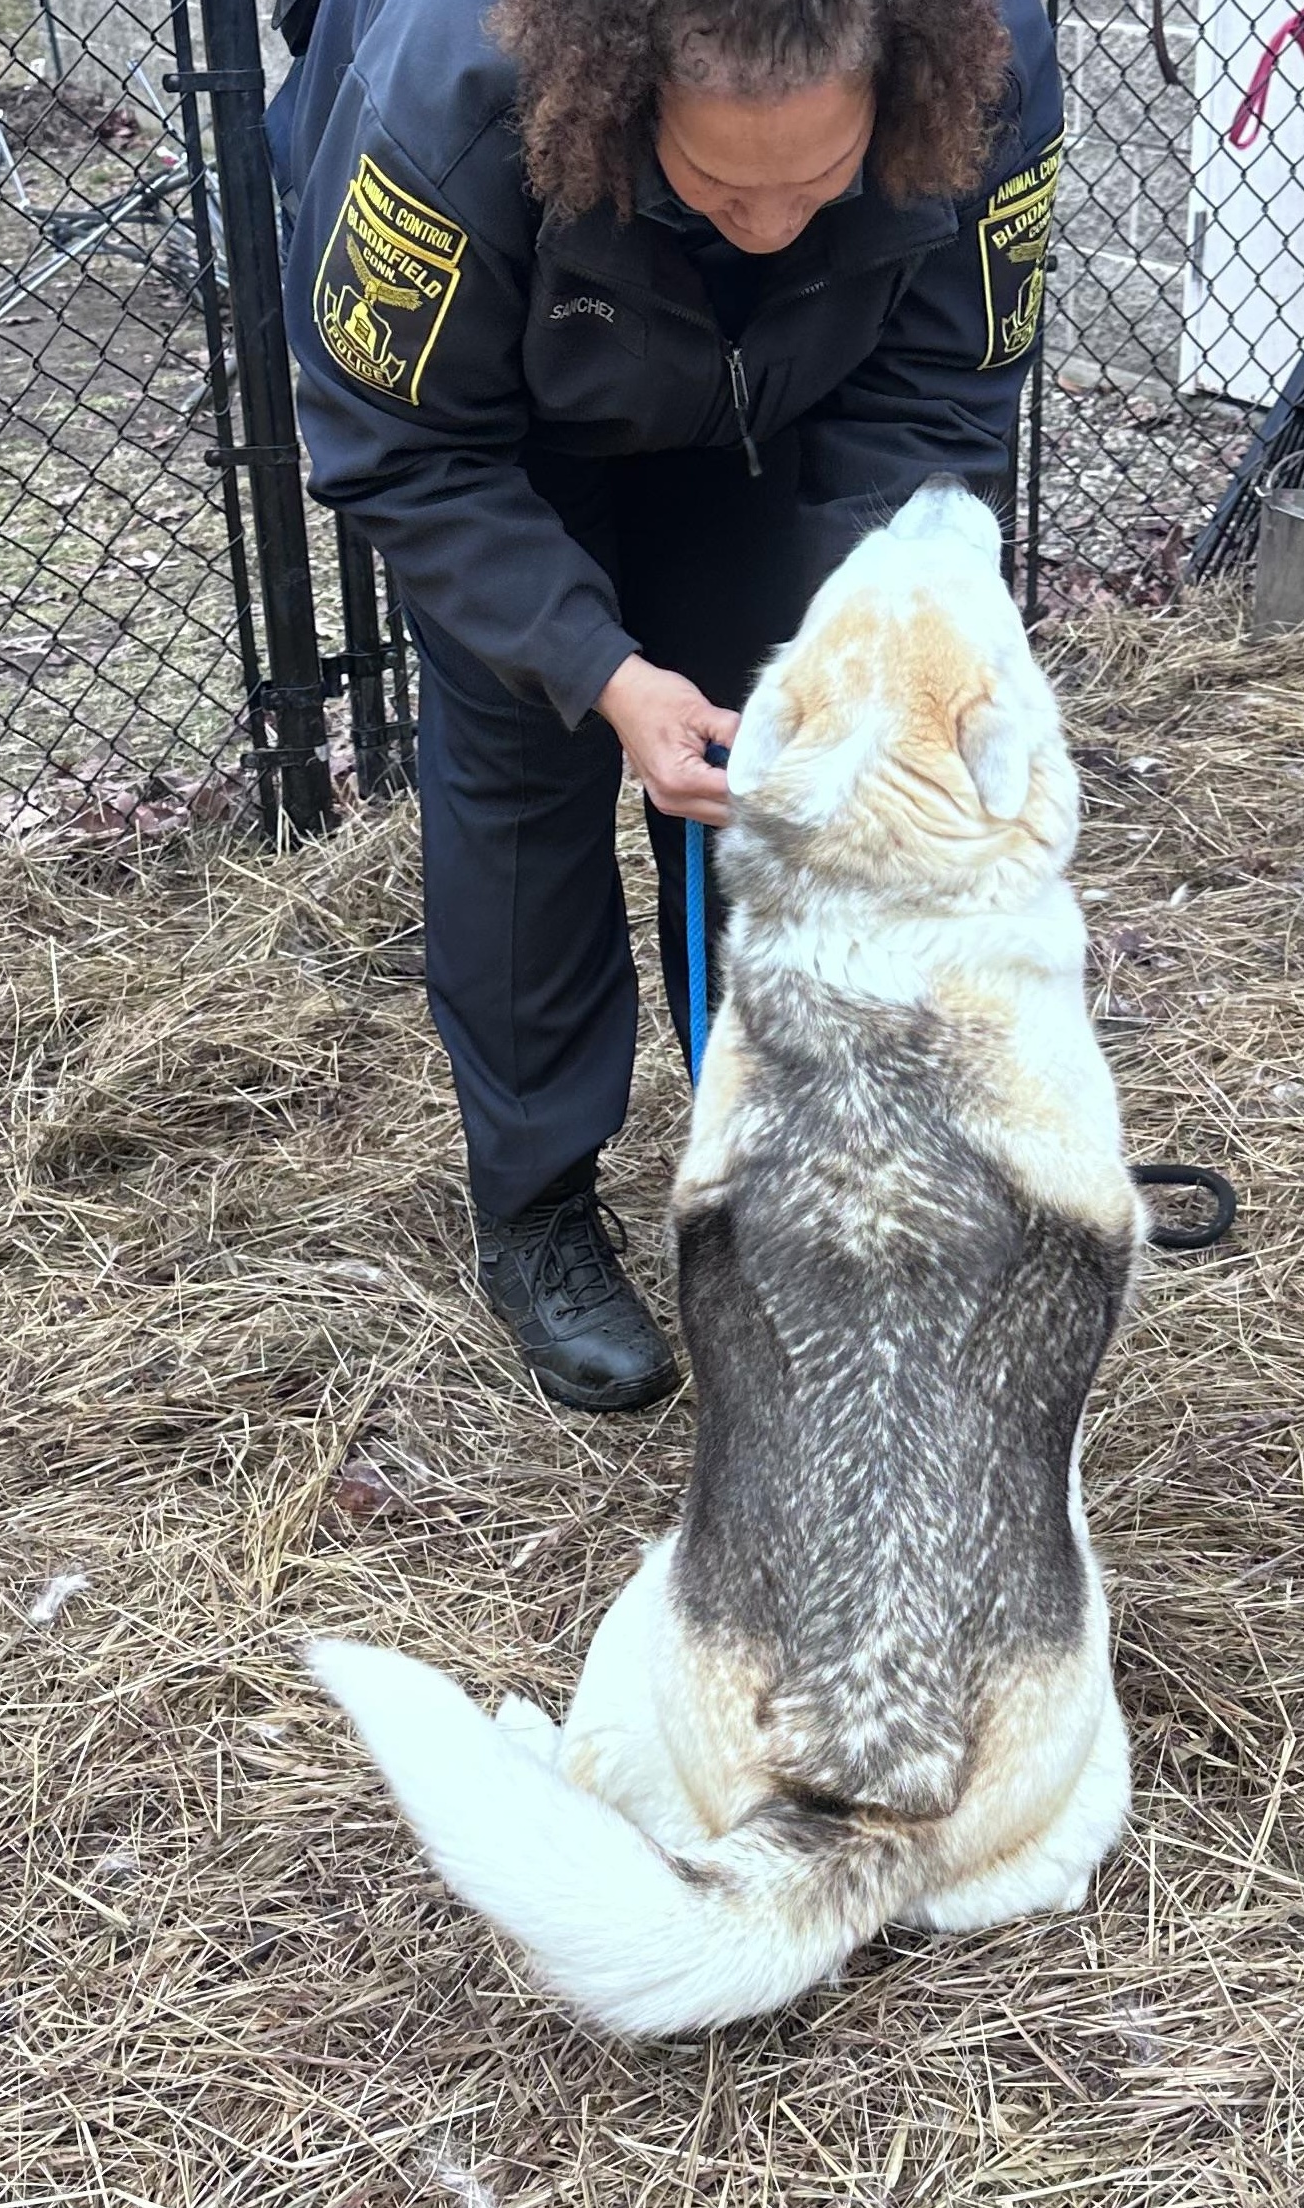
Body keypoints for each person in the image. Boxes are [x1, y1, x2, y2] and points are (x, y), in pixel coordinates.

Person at [268, 0, 1062, 1409]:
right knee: (523, 771)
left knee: (781, 772)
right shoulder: (455, 103)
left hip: (793, 389)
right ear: (624, 89)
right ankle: (536, 1204)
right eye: (723, 183)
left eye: (815, 180)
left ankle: (785, 1168)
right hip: (502, 410)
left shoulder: (982, 59)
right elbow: (405, 450)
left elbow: (947, 384)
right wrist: (599, 670)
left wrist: (855, 640)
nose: (768, 224)